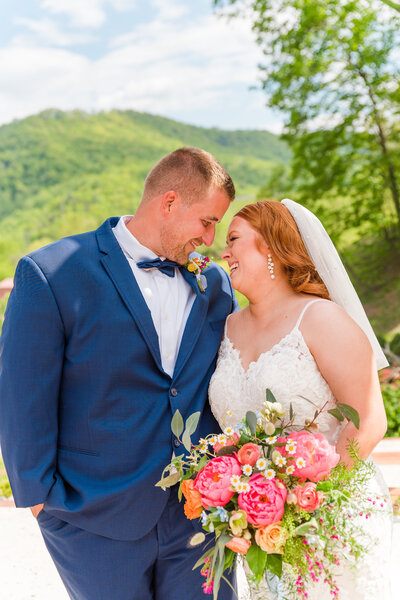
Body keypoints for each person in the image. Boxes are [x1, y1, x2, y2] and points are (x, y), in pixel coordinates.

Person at [0, 147, 238, 600]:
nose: (210, 238)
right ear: (168, 203)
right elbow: (21, 395)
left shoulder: (215, 284)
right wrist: (41, 503)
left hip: (199, 515)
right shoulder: (51, 272)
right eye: (207, 221)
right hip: (94, 519)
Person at [209, 199, 392, 599]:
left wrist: (306, 504)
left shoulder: (321, 318)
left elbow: (368, 420)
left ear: (271, 246)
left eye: (234, 239)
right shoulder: (224, 328)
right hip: (263, 530)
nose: (223, 253)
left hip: (333, 517)